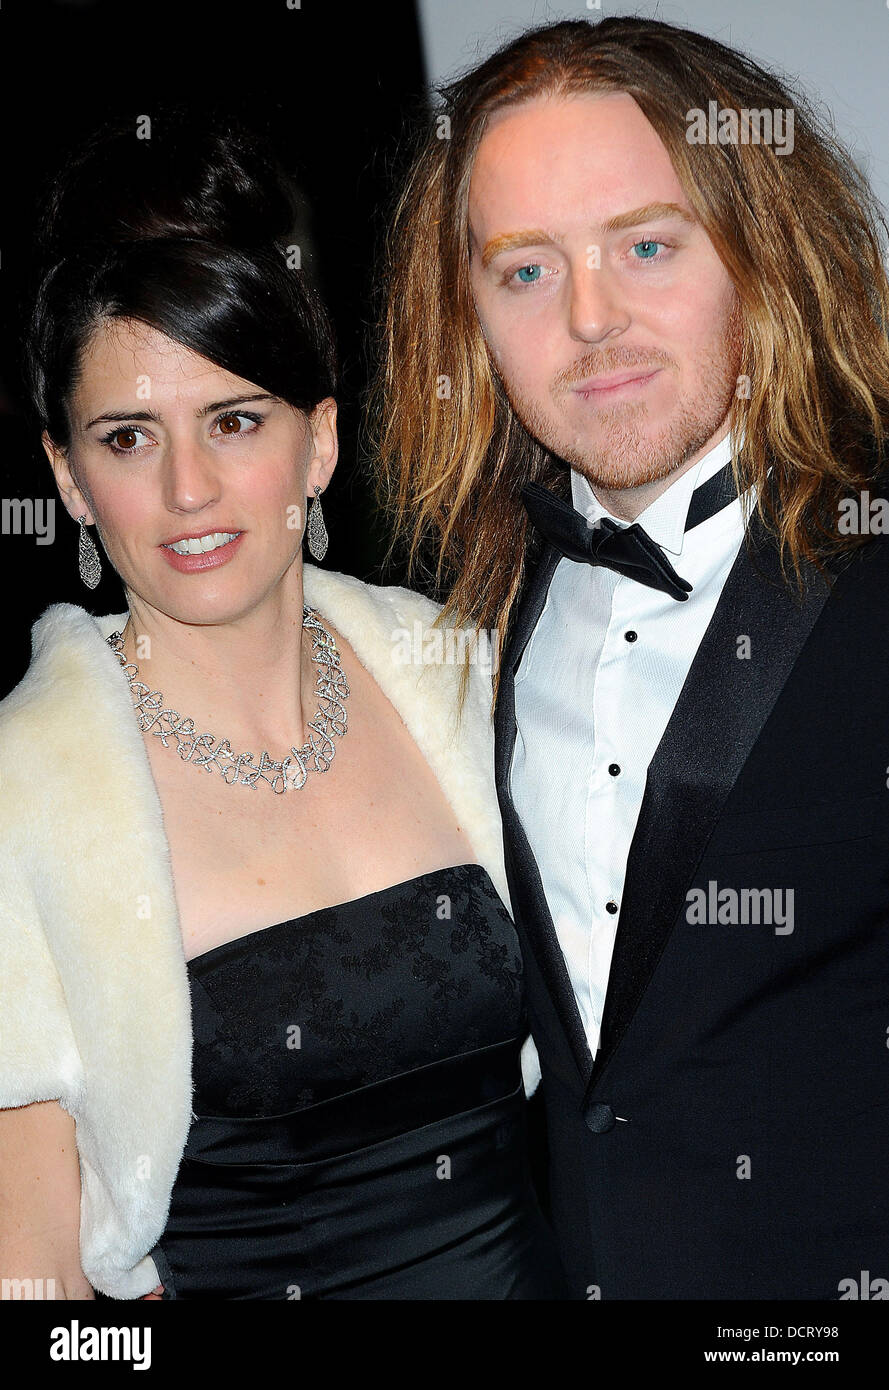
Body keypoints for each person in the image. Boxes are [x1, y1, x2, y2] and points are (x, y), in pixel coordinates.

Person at [0, 112, 567, 1301]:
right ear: (67, 478)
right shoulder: (21, 801)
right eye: (125, 437)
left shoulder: (464, 675)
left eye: (235, 420)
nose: (187, 489)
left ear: (320, 440)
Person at [373, 16, 889, 1298]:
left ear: (764, 255)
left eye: (646, 246)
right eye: (526, 272)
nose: (591, 319)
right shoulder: (460, 620)